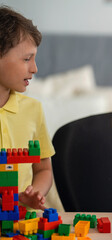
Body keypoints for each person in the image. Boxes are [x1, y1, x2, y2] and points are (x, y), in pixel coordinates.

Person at [0, 5, 55, 210]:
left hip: (23, 221)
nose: (34, 68)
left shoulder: (33, 110)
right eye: (26, 59)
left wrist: (34, 194)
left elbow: (43, 170)